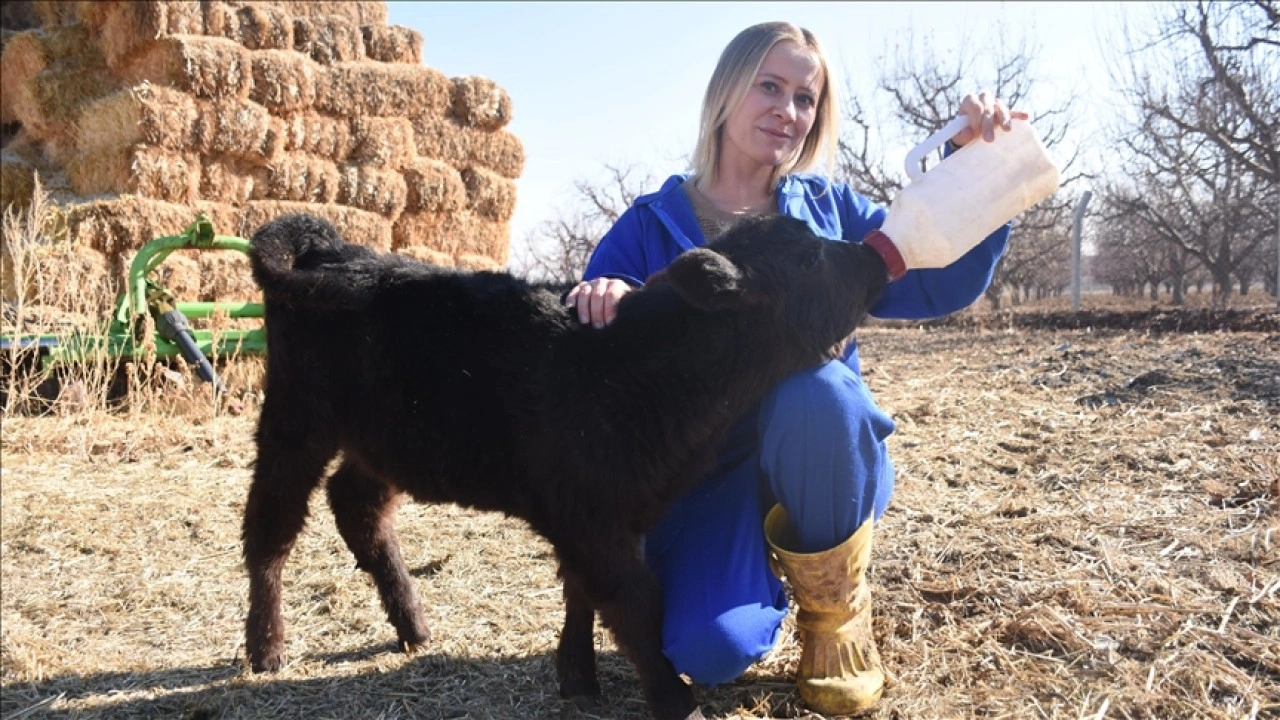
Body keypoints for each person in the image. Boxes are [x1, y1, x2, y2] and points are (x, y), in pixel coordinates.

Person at [564, 21, 1026, 715]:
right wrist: (603, 296)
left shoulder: (832, 214)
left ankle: (836, 618)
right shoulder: (649, 224)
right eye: (770, 87)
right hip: (703, 476)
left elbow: (938, 281)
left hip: (818, 450)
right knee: (708, 652)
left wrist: (977, 171)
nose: (789, 109)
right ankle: (748, 579)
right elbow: (593, 370)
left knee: (814, 391)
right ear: (726, 94)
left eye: (806, 98)